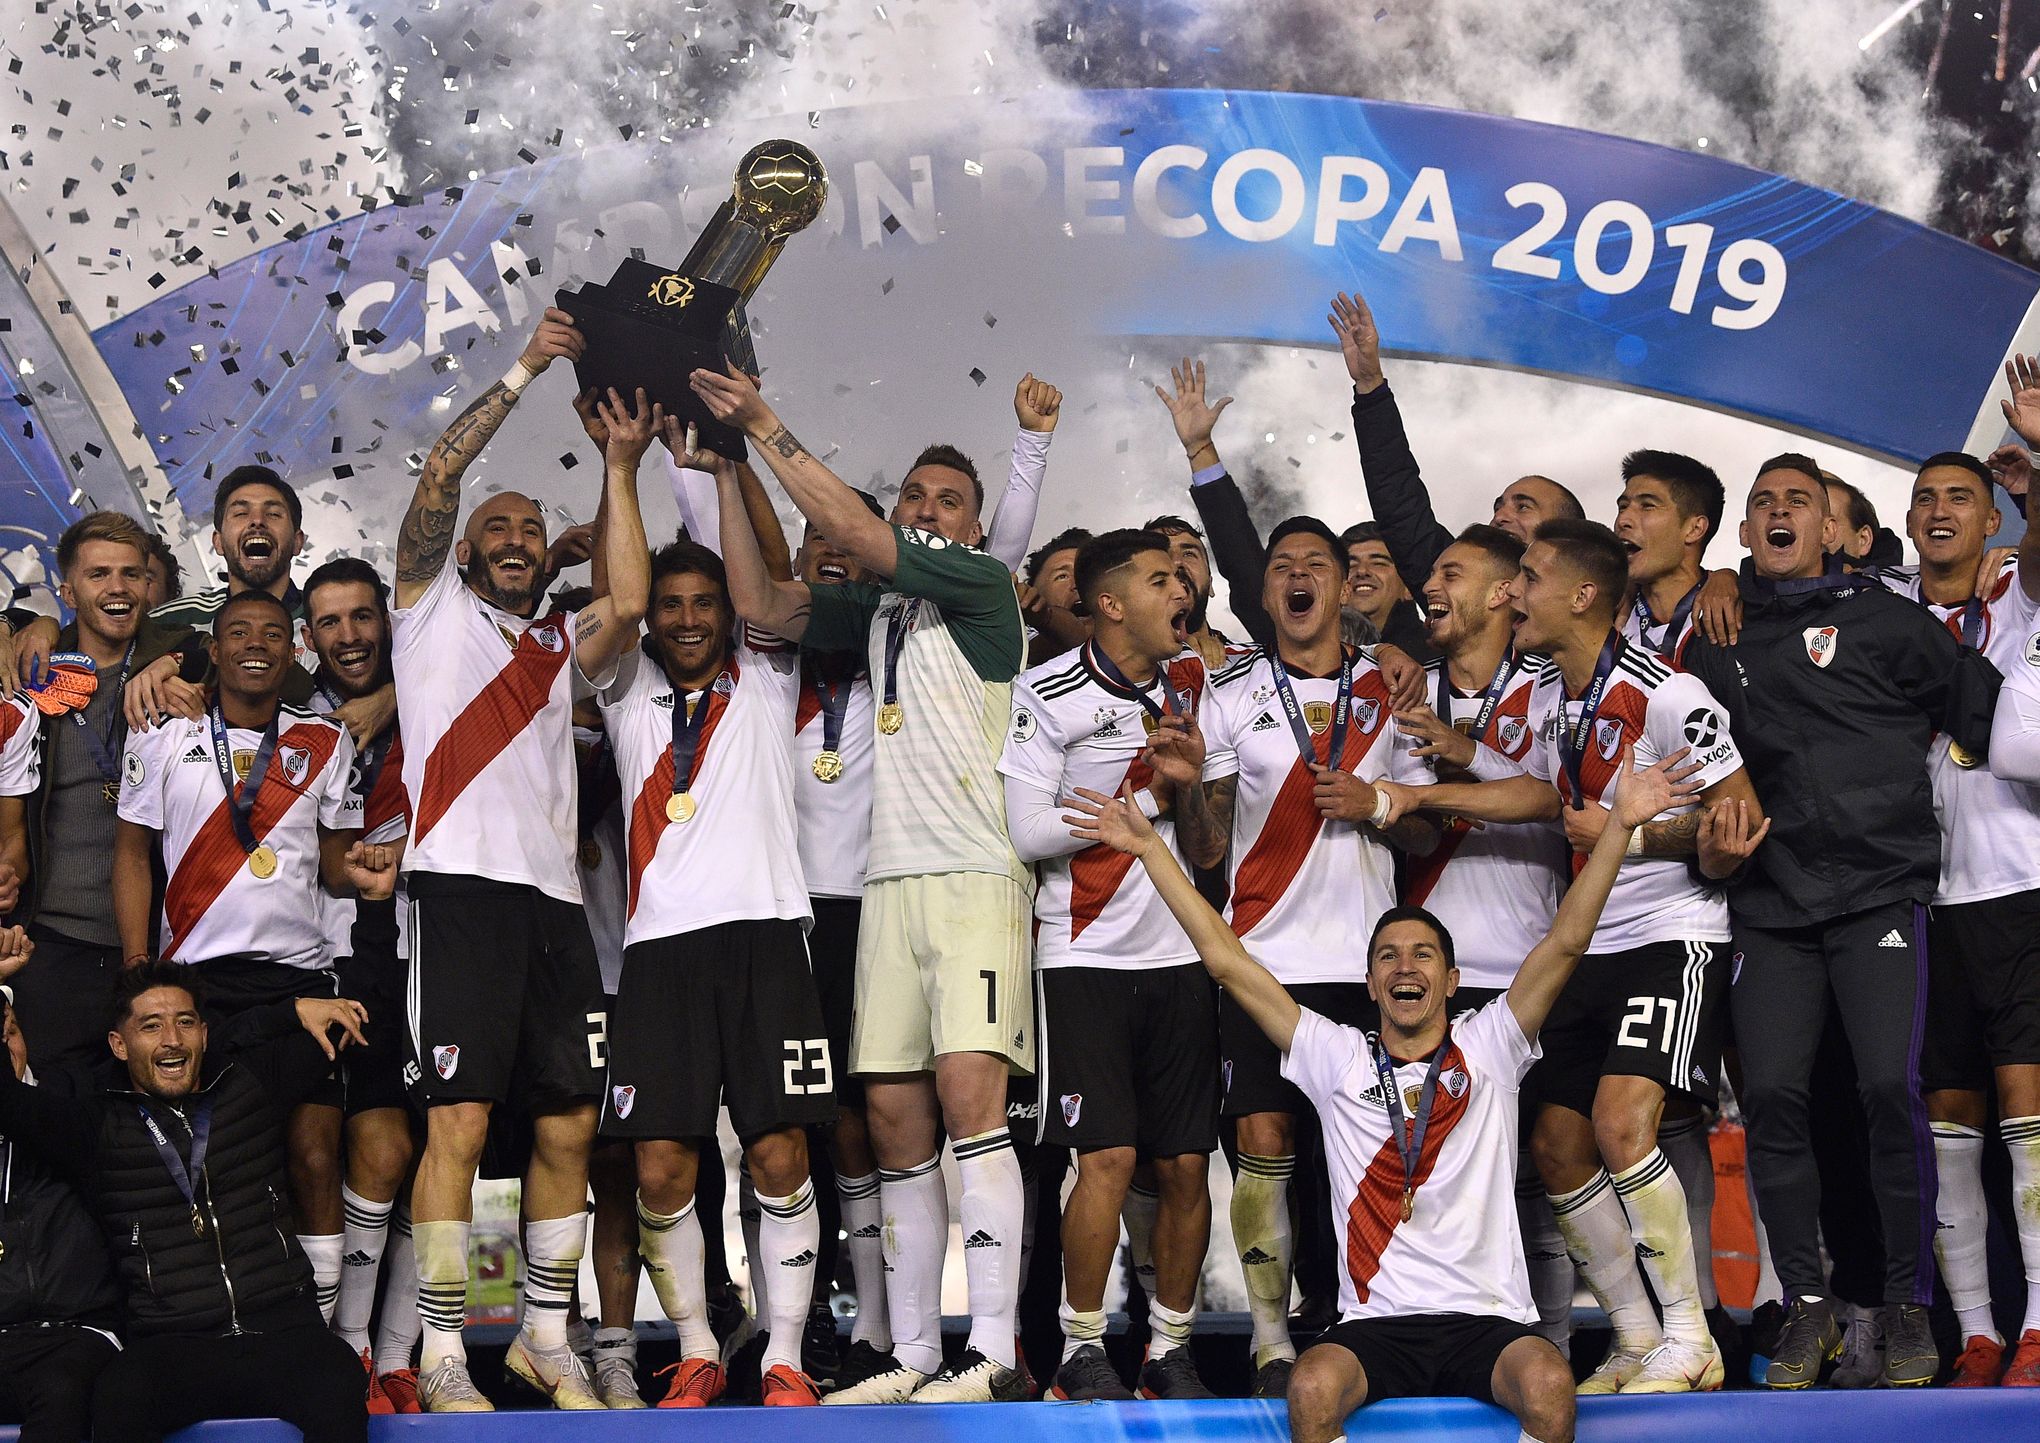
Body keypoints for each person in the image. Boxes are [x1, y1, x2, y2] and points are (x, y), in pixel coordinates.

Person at [1077, 741, 1699, 1443]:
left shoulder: (1491, 1044)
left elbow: (1565, 941)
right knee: (1310, 1388)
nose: (1406, 966)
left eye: (1423, 954)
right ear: (1371, 983)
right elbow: (1227, 960)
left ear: (1452, 979)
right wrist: (1148, 850)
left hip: (1486, 1322)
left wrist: (1618, 827)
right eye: (1388, 957)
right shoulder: (1335, 1055)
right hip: (1377, 1327)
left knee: (1552, 1384)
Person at [691, 363, 1035, 1405]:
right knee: (889, 1119)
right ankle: (917, 1353)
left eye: (948, 503)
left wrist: (768, 421)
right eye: (916, 498)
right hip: (883, 890)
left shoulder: (981, 591)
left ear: (969, 532)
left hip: (975, 880)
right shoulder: (878, 617)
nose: (927, 512)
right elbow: (759, 600)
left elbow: (873, 542)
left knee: (971, 1104)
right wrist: (727, 460)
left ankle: (1000, 1350)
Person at [1376, 518, 1761, 1394]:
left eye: (1531, 577)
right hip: (1589, 941)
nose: (1513, 591)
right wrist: (1419, 788)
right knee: (1556, 1141)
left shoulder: (1669, 692)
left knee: (1623, 1123)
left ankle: (1691, 1337)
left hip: (1672, 938)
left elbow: (1737, 822)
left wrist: (1631, 832)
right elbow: (1543, 790)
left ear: (1583, 595)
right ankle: (1631, 1336)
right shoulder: (1554, 692)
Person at [1680, 456, 2000, 1389]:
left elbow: (1987, 714)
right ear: (1744, 536)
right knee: (1774, 1099)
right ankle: (1809, 1308)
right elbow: (1694, 776)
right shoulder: (1714, 640)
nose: (1779, 513)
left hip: (1876, 899)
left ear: (1834, 529)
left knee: (1884, 1091)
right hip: (1771, 909)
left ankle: (1906, 1306)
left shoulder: (1886, 620)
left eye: (1800, 503)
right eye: (1764, 504)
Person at [387, 310, 650, 1412]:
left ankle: (546, 1336)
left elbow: (629, 599)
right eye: (494, 527)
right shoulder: (424, 608)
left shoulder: (557, 648)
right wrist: (529, 366)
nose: (510, 538)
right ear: (463, 550)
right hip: (457, 898)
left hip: (552, 913)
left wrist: (619, 468)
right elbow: (442, 471)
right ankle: (443, 1350)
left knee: (568, 1124)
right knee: (456, 1123)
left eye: (527, 531)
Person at [588, 437, 835, 1408]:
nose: (688, 620)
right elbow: (619, 593)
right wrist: (619, 468)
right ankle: (695, 1346)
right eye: (671, 606)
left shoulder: (767, 670)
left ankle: (782, 1357)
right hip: (659, 957)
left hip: (768, 939)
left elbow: (767, 574)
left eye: (704, 604)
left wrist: (724, 469)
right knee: (660, 1164)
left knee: (780, 1153)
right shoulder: (624, 685)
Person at [1166, 513, 1436, 1397]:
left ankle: (1358, 1319)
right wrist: (1185, 787)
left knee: (1360, 1150)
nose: (1298, 574)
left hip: (1366, 962)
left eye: (1315, 562)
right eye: (1282, 563)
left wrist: (1381, 803)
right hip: (1264, 958)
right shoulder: (1231, 689)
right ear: (1269, 589)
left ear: (1339, 583)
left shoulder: (1391, 689)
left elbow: (1433, 824)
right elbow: (1207, 850)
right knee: (1262, 1140)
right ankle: (1272, 1341)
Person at [998, 528, 1217, 1402]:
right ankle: (1083, 1348)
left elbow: (1208, 851)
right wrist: (1146, 798)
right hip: (1083, 956)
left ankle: (1170, 1350)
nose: (1183, 591)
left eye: (1183, 577)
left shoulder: (1197, 689)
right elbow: (1029, 831)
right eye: (1163, 579)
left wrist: (1191, 788)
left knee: (1189, 1167)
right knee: (1110, 1159)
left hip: (1179, 956)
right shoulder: (1044, 692)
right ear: (1113, 602)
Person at [0, 958, 377, 1443]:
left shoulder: (250, 1086)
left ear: (204, 1034)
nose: (171, 1040)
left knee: (339, 1377)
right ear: (119, 1044)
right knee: (117, 1396)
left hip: (283, 1332)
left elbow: (359, 1020)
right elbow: (7, 1099)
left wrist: (294, 1007)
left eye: (184, 1023)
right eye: (150, 1027)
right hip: (172, 1347)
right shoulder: (96, 1126)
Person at [1876, 437, 2040, 1386]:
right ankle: (1977, 1335)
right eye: (1925, 496)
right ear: (1907, 520)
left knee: (2029, 1112)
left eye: (1960, 498)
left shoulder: (2020, 595)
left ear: (1989, 521)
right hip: (1920, 894)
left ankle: (2038, 1329)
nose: (1940, 510)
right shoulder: (1883, 610)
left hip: (2018, 886)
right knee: (1948, 1117)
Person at [1385, 525, 1574, 1349]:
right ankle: (1456, 1341)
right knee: (1451, 1180)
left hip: (1531, 967)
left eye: (1450, 572)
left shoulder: (1553, 687)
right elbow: (1404, 823)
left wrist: (1463, 761)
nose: (1431, 583)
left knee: (1549, 1164)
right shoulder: (1405, 690)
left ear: (1502, 593)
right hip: (1432, 982)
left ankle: (1554, 1348)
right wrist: (1404, 813)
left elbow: (1553, 798)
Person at [298, 558, 419, 1406]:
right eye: (330, 622)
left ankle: (396, 1354)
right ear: (309, 637)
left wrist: (402, 694)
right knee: (313, 1158)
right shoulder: (280, 714)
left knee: (400, 1154)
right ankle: (337, 1353)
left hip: (416, 952)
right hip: (310, 960)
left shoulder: (434, 694)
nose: (348, 636)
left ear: (389, 621)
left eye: (362, 617)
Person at [10, 513, 189, 1070]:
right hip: (52, 943)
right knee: (62, 1126)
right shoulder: (29, 673)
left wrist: (187, 666)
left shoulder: (184, 665)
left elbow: (253, 654)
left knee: (151, 1128)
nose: (117, 588)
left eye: (131, 574)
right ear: (67, 590)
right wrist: (18, 622)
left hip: (159, 947)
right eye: (98, 575)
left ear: (148, 586)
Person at [1329, 290, 1584, 592]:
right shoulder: (1456, 588)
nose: (1501, 517)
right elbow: (1400, 506)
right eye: (1498, 507)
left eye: (1523, 507)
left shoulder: (1602, 615)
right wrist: (1371, 387)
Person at [0, 957, 124, 1443]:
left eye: (8, 1031)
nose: (5, 1046)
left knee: (61, 1389)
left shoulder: (73, 1101)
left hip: (78, 1330)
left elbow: (16, 1108)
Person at [1613, 450, 1724, 663]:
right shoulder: (1605, 619)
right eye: (1623, 506)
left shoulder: (1733, 617)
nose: (1623, 520)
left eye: (1647, 506)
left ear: (1694, 529)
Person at [1339, 524, 1434, 658]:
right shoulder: (1312, 654)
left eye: (1378, 563)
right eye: (1351, 565)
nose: (1361, 571)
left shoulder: (1437, 654)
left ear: (1409, 588)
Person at [1019, 527, 1091, 666]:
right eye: (1062, 576)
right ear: (1033, 591)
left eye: (1086, 574)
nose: (1077, 584)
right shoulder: (1020, 638)